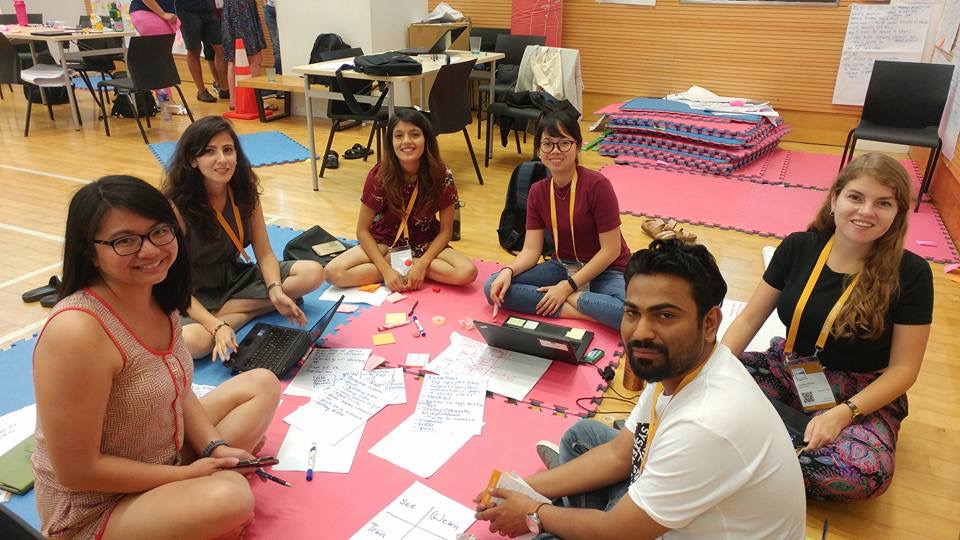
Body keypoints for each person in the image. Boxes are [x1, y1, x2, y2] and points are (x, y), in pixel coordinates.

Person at [475, 240, 806, 539]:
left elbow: (616, 533)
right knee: (583, 437)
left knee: (552, 526)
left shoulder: (707, 422)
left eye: (664, 315)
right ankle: (576, 506)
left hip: (649, 529)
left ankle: (571, 511)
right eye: (633, 312)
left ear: (709, 324)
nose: (641, 332)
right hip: (679, 511)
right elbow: (618, 455)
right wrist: (520, 488)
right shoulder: (684, 364)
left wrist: (534, 512)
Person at [32, 175, 281, 539]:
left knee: (263, 382)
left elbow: (177, 391)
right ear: (90, 250)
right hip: (98, 505)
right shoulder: (77, 331)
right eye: (125, 241)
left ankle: (194, 493)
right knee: (230, 497)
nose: (149, 250)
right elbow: (77, 470)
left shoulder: (157, 296)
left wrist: (216, 446)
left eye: (159, 232)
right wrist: (185, 476)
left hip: (161, 450)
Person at [722, 152, 933, 501]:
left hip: (861, 393)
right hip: (791, 367)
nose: (866, 212)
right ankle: (770, 459)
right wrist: (712, 372)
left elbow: (904, 369)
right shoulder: (798, 247)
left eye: (883, 203)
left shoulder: (912, 273)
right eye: (855, 197)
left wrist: (843, 414)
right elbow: (747, 320)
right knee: (705, 380)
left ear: (897, 214)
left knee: (864, 474)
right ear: (835, 199)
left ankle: (734, 462)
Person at [163, 116, 325, 361]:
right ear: (192, 160)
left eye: (228, 150)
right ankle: (239, 315)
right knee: (193, 343)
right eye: (209, 152)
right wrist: (213, 325)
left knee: (313, 272)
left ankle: (237, 314)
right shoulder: (176, 208)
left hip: (234, 278)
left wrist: (274, 288)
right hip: (192, 291)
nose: (222, 160)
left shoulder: (243, 190)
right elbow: (172, 283)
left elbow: (265, 252)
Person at [483, 112, 631, 330]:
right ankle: (585, 312)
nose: (555, 151)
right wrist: (508, 271)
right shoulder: (537, 191)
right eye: (547, 144)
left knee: (629, 314)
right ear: (538, 150)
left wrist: (567, 288)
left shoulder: (598, 185)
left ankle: (562, 302)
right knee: (492, 287)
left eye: (563, 143)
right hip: (562, 266)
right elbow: (531, 251)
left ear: (578, 146)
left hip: (606, 269)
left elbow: (610, 251)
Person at [324, 109, 478, 291]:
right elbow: (362, 231)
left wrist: (422, 265)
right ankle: (398, 267)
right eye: (398, 136)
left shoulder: (442, 175)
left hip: (425, 242)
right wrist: (385, 270)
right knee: (333, 272)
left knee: (467, 272)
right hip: (385, 243)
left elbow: (446, 231)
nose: (406, 141)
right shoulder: (379, 174)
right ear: (391, 142)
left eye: (415, 134)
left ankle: (407, 265)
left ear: (426, 138)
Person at [221, 0, 267, 110]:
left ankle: (234, 100)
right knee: (255, 58)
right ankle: (254, 100)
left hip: (235, 8)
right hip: (241, 8)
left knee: (234, 58)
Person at [176, 0, 224, 103]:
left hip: (208, 9)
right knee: (194, 50)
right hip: (187, 11)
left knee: (220, 47)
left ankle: (224, 87)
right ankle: (201, 90)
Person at [263, 0, 281, 74]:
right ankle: (278, 73)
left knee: (277, 44)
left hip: (282, 8)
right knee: (275, 44)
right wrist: (264, 3)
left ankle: (277, 72)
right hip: (269, 8)